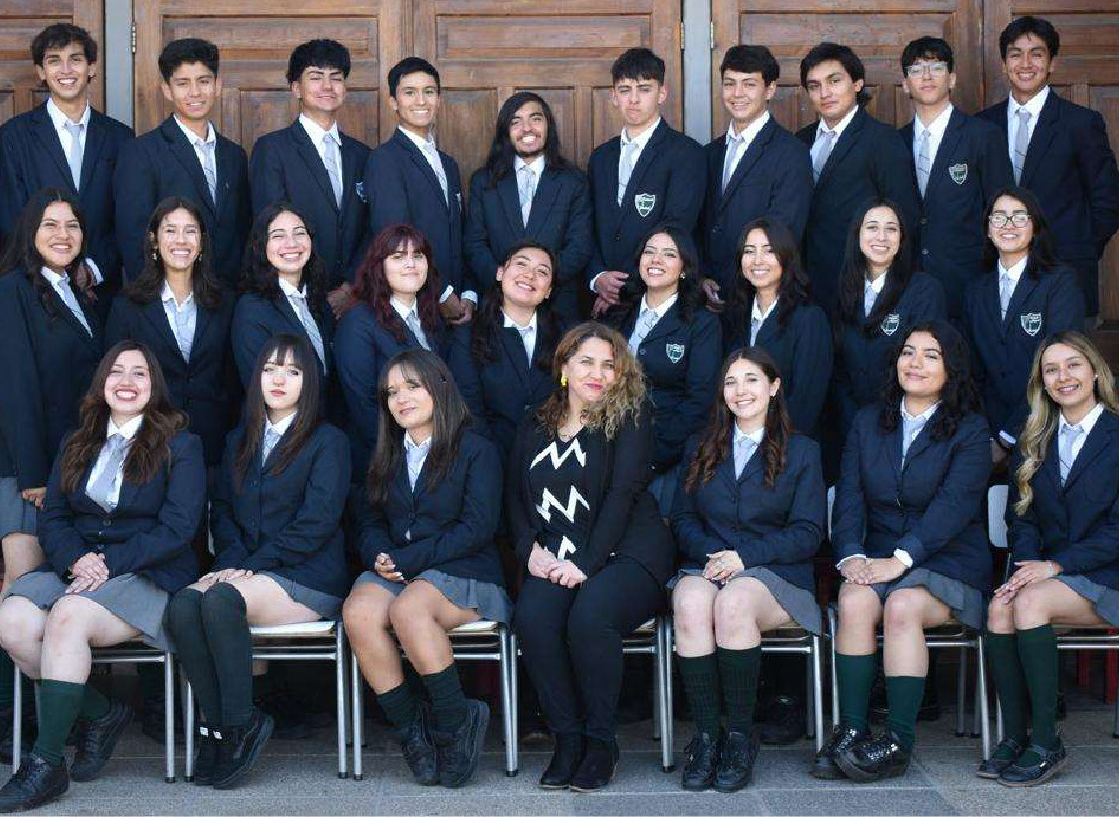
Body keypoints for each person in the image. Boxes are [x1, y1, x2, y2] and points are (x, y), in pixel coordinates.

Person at [0, 342, 206, 813]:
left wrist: (108, 563)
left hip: (145, 572)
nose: (127, 382)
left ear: (154, 385)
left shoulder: (181, 444)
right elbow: (53, 517)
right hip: (79, 566)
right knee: (12, 621)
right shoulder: (77, 440)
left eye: (139, 373)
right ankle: (101, 714)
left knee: (67, 617)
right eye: (117, 372)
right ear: (102, 383)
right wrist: (76, 559)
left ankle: (46, 765)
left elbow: (179, 529)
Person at [167, 333, 350, 789]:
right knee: (183, 605)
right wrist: (234, 560)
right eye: (269, 369)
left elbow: (317, 521)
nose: (278, 379)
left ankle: (240, 722)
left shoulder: (328, 441)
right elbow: (223, 511)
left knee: (219, 600)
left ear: (309, 381)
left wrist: (253, 565)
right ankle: (216, 728)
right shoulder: (239, 440)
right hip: (247, 570)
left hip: (306, 574)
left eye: (292, 371)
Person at [819, 321, 992, 783]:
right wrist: (850, 556)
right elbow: (850, 495)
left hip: (949, 560)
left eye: (931, 355)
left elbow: (954, 506)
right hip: (878, 556)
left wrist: (902, 559)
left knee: (901, 606)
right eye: (908, 352)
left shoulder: (971, 429)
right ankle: (852, 730)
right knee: (854, 601)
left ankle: (898, 741)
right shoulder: (867, 421)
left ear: (951, 369)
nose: (915, 363)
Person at [982, 332, 1119, 787]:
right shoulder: (1034, 440)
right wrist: (1026, 568)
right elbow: (1022, 519)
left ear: (1095, 371)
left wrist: (1054, 567)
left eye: (1073, 365)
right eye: (1051, 369)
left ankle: (1046, 742)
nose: (1063, 377)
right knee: (1000, 606)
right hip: (1050, 578)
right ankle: (1016, 737)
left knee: (1029, 603)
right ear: (1041, 382)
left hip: (1118, 578)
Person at [509, 323, 674, 792]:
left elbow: (623, 495)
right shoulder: (535, 422)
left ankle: (601, 744)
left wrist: (586, 563)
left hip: (627, 552)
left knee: (590, 616)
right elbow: (514, 494)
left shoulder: (630, 417)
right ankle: (568, 740)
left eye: (608, 365)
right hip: (557, 554)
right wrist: (528, 550)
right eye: (586, 362)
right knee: (534, 619)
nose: (597, 374)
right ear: (565, 366)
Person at [342, 349, 510, 789]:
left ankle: (455, 722)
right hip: (401, 570)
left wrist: (408, 560)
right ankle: (411, 731)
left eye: (413, 386)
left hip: (465, 570)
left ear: (440, 387)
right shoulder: (388, 452)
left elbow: (477, 528)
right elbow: (369, 519)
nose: (401, 399)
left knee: (409, 610)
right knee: (358, 613)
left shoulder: (476, 449)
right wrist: (378, 553)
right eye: (392, 392)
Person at [0, 189, 105, 763]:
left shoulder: (76, 293)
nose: (62, 234)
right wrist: (34, 474)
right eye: (50, 224)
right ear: (29, 232)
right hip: (23, 470)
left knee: (41, 594)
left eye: (72, 225)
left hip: (63, 469)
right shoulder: (11, 292)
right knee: (20, 588)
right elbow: (12, 387)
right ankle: (4, 715)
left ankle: (49, 708)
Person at [669, 347, 825, 792]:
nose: (741, 391)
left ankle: (739, 737)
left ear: (774, 387)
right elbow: (682, 518)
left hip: (776, 574)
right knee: (690, 601)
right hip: (709, 564)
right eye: (731, 382)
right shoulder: (700, 446)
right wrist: (715, 555)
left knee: (734, 603)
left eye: (752, 379)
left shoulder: (803, 451)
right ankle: (707, 738)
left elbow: (809, 531)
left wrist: (744, 558)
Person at [977, 16, 1119, 318]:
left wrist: (1076, 251)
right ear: (1004, 64)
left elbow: (1109, 203)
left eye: (1037, 54)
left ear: (1052, 63)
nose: (1025, 63)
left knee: (1065, 349)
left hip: (1065, 274)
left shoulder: (1081, 123)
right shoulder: (981, 125)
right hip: (995, 277)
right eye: (1016, 54)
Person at [0, 23, 135, 314]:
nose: (66, 70)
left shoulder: (120, 137)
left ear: (91, 67)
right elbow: (12, 216)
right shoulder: (16, 134)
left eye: (75, 59)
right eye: (54, 60)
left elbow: (127, 219)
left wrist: (93, 270)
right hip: (38, 291)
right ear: (41, 71)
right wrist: (52, 272)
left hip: (102, 294)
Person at [106, 196, 237, 472]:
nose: (181, 240)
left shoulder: (225, 302)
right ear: (154, 240)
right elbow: (113, 380)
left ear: (202, 242)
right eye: (170, 230)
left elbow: (232, 379)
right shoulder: (128, 305)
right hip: (149, 449)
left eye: (190, 231)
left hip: (214, 447)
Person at [962, 187, 1084, 465]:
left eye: (1019, 216)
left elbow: (1058, 367)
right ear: (988, 229)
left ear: (1035, 226)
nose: (1008, 225)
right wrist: (987, 435)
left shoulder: (1059, 283)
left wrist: (1008, 437)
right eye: (999, 217)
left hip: (1046, 428)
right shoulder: (974, 292)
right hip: (988, 435)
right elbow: (971, 372)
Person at [115, 38, 250, 284]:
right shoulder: (140, 152)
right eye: (183, 83)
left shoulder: (235, 155)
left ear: (218, 85)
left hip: (228, 295)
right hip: (169, 295)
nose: (195, 92)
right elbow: (134, 237)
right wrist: (154, 297)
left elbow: (242, 231)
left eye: (204, 81)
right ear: (167, 90)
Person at [796, 43, 920, 312]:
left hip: (858, 284)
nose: (824, 93)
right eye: (815, 86)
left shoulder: (883, 140)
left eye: (834, 81)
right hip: (804, 284)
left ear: (857, 83)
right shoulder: (800, 141)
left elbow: (904, 215)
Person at [249, 39, 370, 312]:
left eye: (336, 78)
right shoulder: (272, 149)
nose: (327, 86)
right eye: (316, 77)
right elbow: (270, 226)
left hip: (354, 300)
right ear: (296, 88)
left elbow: (371, 227)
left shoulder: (362, 154)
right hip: (296, 295)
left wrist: (350, 287)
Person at [587, 48, 705, 318]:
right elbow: (587, 224)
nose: (633, 99)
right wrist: (598, 277)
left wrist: (622, 289)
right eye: (625, 89)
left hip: (657, 295)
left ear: (662, 93)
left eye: (644, 89)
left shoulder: (686, 153)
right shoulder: (601, 157)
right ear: (613, 96)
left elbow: (676, 226)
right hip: (600, 298)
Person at [897, 36, 1013, 309]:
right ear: (905, 84)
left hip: (968, 280)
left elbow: (1002, 207)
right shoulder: (895, 141)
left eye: (936, 67)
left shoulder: (983, 136)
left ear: (952, 79)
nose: (927, 76)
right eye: (916, 69)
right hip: (908, 281)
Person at [612, 225, 720, 512]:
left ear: (684, 268)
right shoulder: (619, 312)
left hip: (662, 458)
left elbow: (700, 400)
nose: (656, 260)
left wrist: (652, 454)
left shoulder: (701, 324)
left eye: (669, 254)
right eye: (649, 251)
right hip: (609, 446)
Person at [463, 91, 593, 321]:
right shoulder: (484, 182)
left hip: (558, 307)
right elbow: (475, 243)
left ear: (548, 126)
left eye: (535, 119)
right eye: (516, 122)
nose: (527, 128)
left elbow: (579, 245)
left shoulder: (574, 181)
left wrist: (539, 280)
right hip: (497, 306)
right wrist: (505, 279)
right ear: (505, 131)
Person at [700, 44, 812, 309]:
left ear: (770, 89)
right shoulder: (708, 153)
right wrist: (700, 277)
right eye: (730, 84)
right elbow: (699, 222)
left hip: (759, 296)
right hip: (707, 297)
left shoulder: (791, 152)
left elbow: (784, 230)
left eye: (749, 84)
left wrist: (739, 288)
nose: (737, 94)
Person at [334, 223, 447, 477]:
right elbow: (362, 403)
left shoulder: (432, 319)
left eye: (418, 256)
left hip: (434, 451)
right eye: (398, 257)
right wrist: (407, 454)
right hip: (385, 461)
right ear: (379, 267)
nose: (410, 264)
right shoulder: (358, 321)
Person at [364, 57, 471, 325]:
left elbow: (460, 234)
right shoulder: (385, 159)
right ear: (393, 102)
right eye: (410, 92)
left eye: (429, 92)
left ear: (439, 99)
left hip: (457, 303)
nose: (421, 101)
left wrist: (468, 293)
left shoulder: (448, 164)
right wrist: (442, 293)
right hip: (416, 301)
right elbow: (394, 237)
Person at [832, 198, 947, 436]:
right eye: (872, 227)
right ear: (858, 235)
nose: (881, 237)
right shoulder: (843, 290)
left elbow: (923, 367)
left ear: (902, 239)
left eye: (891, 229)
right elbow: (839, 371)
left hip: (902, 426)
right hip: (849, 427)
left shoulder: (924, 290)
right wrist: (854, 423)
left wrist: (884, 424)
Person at [448, 242, 563, 461]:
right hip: (490, 459)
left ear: (549, 291)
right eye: (521, 264)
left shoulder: (566, 336)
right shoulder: (468, 336)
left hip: (551, 461)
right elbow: (469, 411)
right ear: (500, 273)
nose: (529, 275)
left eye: (542, 272)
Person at [723, 218, 831, 439]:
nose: (757, 260)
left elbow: (806, 401)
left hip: (785, 444)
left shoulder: (809, 319)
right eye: (749, 251)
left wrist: (769, 445)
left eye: (769, 250)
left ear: (786, 257)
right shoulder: (735, 316)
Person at [230, 202, 335, 389]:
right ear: (261, 246)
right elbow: (261, 389)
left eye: (299, 233)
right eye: (278, 235)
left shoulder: (317, 300)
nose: (292, 243)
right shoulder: (251, 310)